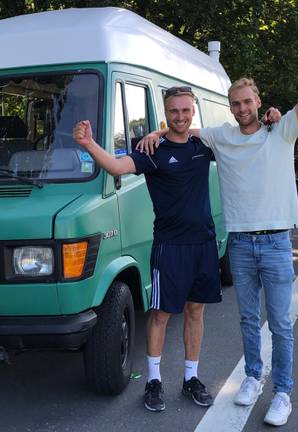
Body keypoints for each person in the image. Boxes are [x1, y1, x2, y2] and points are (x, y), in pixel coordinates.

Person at [138, 16, 298, 426]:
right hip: (240, 246)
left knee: (281, 324)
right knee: (248, 319)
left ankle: (282, 392)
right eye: (235, 104)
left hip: (275, 243)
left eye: (248, 101)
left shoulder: (282, 130)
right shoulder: (221, 137)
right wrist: (159, 132)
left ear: (258, 102)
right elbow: (183, 128)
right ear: (230, 109)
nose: (242, 108)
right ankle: (253, 377)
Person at [72, 87, 223, 413]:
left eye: (185, 110)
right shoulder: (153, 149)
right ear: (165, 112)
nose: (180, 116)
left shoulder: (202, 146)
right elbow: (115, 166)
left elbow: (241, 137)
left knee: (195, 311)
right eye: (174, 111)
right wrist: (88, 144)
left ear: (193, 111)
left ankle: (190, 378)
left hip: (204, 244)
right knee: (161, 314)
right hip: (170, 247)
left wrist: (270, 119)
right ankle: (153, 381)